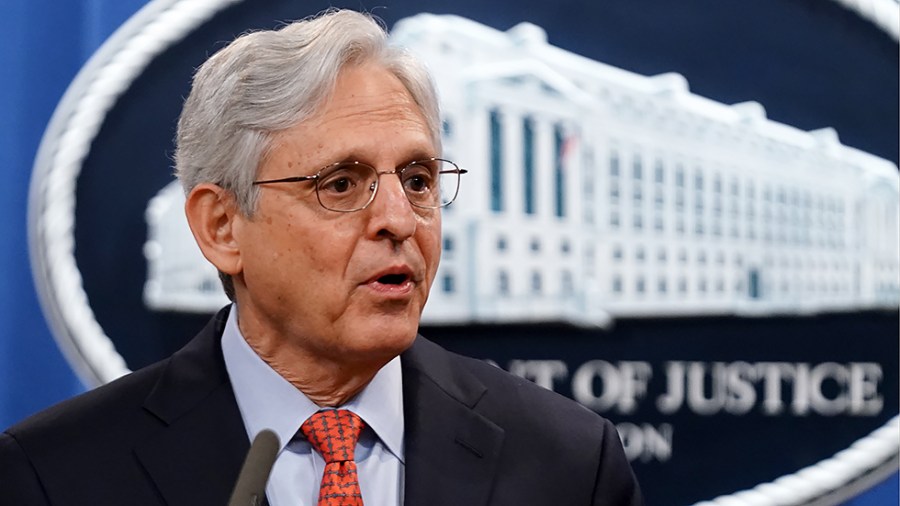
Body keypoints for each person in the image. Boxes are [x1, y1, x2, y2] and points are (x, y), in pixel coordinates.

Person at [0, 9, 642, 505]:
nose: (398, 219)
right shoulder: (54, 476)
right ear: (222, 227)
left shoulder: (569, 463)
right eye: (341, 184)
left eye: (417, 179)